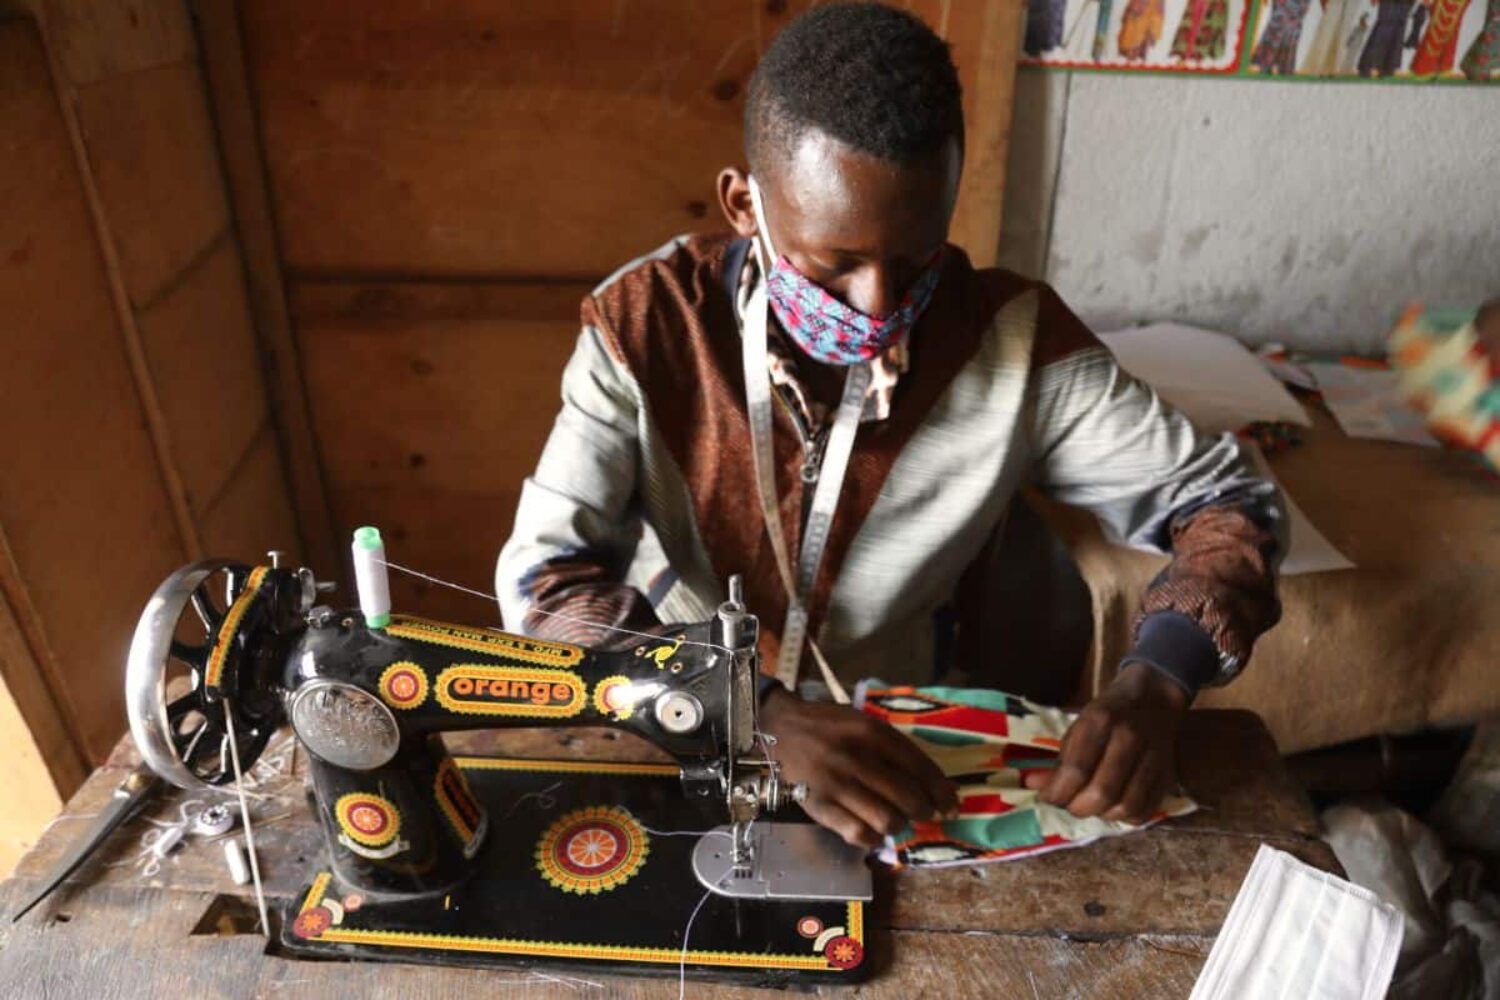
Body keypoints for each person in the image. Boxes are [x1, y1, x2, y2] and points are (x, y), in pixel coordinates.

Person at [497, 3, 1285, 849]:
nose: (876, 306)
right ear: (743, 205)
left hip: (902, 737)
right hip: (673, 718)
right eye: (834, 265)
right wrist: (750, 710)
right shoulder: (646, 327)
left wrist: (1159, 675)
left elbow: (1226, 502)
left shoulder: (1014, 344)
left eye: (914, 261)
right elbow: (548, 582)